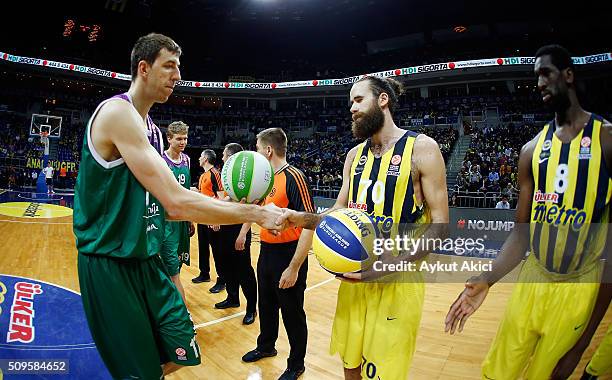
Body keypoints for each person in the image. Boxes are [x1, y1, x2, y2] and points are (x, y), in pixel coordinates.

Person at [73, 33, 285, 380]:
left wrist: (232, 204)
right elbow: (176, 202)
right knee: (142, 374)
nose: (178, 76)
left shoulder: (153, 131)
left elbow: (172, 200)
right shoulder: (117, 113)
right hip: (110, 263)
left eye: (179, 67)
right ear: (144, 68)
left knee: (183, 351)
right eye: (169, 66)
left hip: (146, 260)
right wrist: (256, 213)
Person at [445, 44, 612, 380]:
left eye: (545, 72)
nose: (538, 82)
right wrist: (487, 279)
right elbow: (520, 237)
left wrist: (584, 343)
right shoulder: (531, 150)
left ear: (568, 75)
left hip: (579, 284)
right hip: (533, 277)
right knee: (496, 373)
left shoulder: (607, 140)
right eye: (535, 75)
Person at [278, 76, 449, 380]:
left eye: (358, 100)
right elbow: (335, 215)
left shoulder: (422, 148)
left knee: (382, 373)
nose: (351, 109)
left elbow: (440, 226)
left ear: (382, 100)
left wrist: (391, 265)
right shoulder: (353, 157)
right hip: (355, 280)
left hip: (398, 282)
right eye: (350, 103)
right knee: (351, 365)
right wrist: (298, 218)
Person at [242, 128, 315, 380]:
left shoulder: (294, 176)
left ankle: (296, 364)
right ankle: (266, 346)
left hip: (289, 254)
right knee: (267, 305)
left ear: (268, 150)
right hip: (266, 252)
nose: (256, 152)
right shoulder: (263, 179)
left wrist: (294, 267)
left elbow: (309, 224)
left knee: (293, 312)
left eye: (257, 147)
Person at [214, 143, 258, 326]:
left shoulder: (248, 178)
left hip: (239, 230)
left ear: (231, 157)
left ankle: (251, 309)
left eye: (224, 154)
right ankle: (232, 298)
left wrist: (242, 234)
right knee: (227, 267)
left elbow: (252, 208)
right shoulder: (230, 178)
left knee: (244, 271)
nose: (222, 158)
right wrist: (215, 216)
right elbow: (228, 201)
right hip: (227, 228)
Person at [160, 120, 194, 304]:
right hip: (166, 221)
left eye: (185, 138)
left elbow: (187, 192)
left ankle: (168, 307)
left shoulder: (187, 160)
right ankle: (182, 314)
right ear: (169, 139)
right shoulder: (160, 160)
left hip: (182, 220)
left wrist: (190, 220)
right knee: (172, 271)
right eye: (179, 139)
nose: (183, 142)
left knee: (177, 266)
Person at [192, 149, 226, 294]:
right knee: (203, 247)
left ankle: (222, 280)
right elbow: (205, 195)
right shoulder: (203, 175)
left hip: (212, 218)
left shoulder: (215, 174)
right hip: (202, 217)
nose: (199, 158)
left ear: (205, 158)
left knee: (217, 251)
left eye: (200, 156)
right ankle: (204, 273)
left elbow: (221, 197)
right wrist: (194, 192)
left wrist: (217, 218)